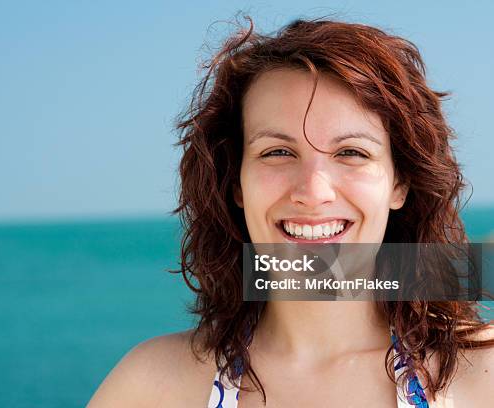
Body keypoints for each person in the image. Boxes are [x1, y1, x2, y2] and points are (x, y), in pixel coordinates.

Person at [87, 17, 494, 407]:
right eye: (277, 152)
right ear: (236, 183)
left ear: (399, 183)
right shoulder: (151, 384)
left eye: (351, 152)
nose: (313, 192)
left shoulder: (485, 372)